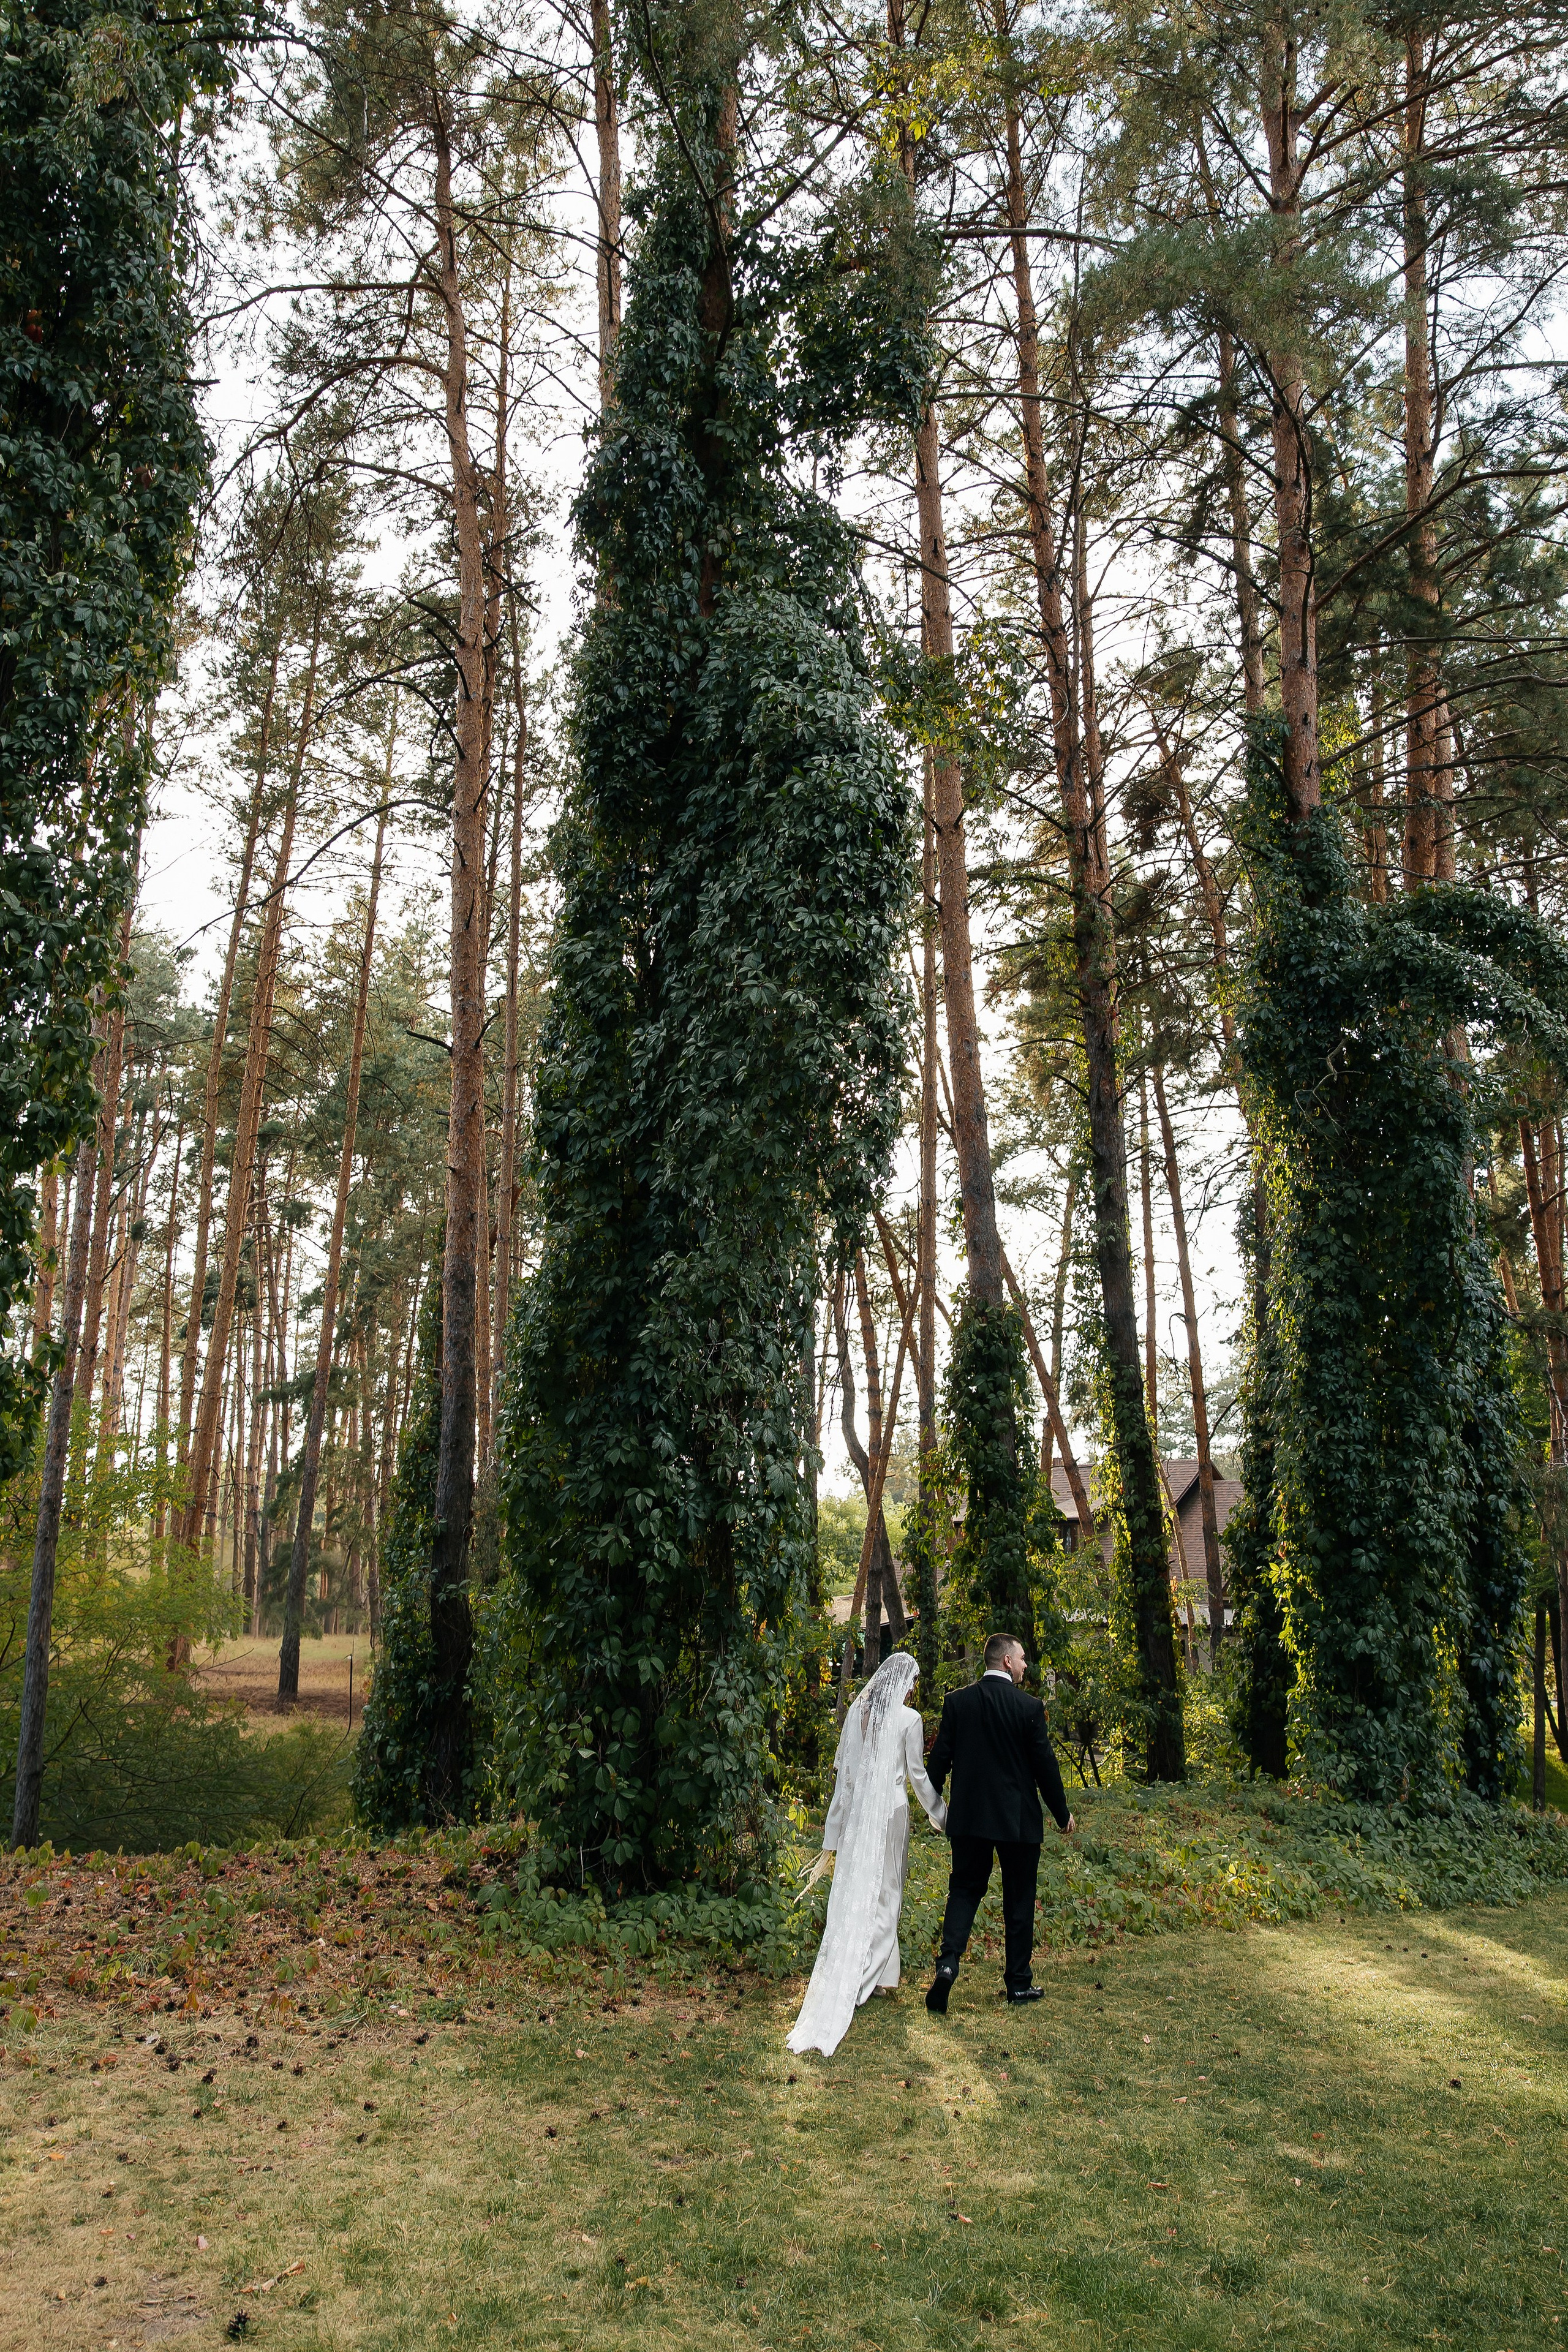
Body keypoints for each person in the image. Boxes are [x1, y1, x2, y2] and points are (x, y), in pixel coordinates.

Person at [786, 1651, 947, 2058]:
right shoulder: (909, 1720)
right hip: (891, 1814)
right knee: (888, 1893)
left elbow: (846, 1781)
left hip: (861, 1815)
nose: (914, 1688)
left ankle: (878, 1976)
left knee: (862, 1890)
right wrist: (942, 1815)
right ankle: (860, 1979)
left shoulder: (860, 1716)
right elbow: (917, 1775)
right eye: (912, 1680)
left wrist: (834, 1831)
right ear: (900, 1682)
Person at [924, 1631, 1076, 2012]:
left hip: (970, 1817)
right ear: (1007, 1662)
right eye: (1022, 1658)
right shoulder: (1028, 1707)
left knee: (963, 1890)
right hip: (1017, 1821)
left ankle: (947, 1964)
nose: (1026, 1664)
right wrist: (1062, 1814)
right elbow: (1046, 1768)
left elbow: (939, 1759)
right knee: (1019, 1898)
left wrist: (935, 1805)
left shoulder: (958, 1703)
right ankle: (1018, 1984)